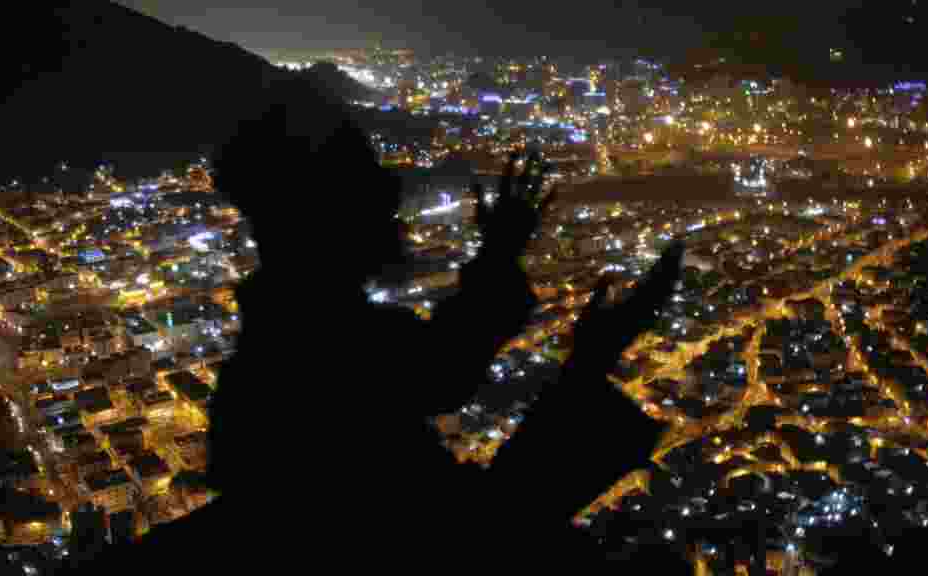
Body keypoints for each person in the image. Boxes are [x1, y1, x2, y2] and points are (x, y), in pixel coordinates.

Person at [63, 75, 685, 571]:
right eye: (376, 195)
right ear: (334, 220)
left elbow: (441, 370)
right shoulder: (336, 351)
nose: (396, 212)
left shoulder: (272, 357)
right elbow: (477, 528)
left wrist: (502, 267)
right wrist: (586, 358)